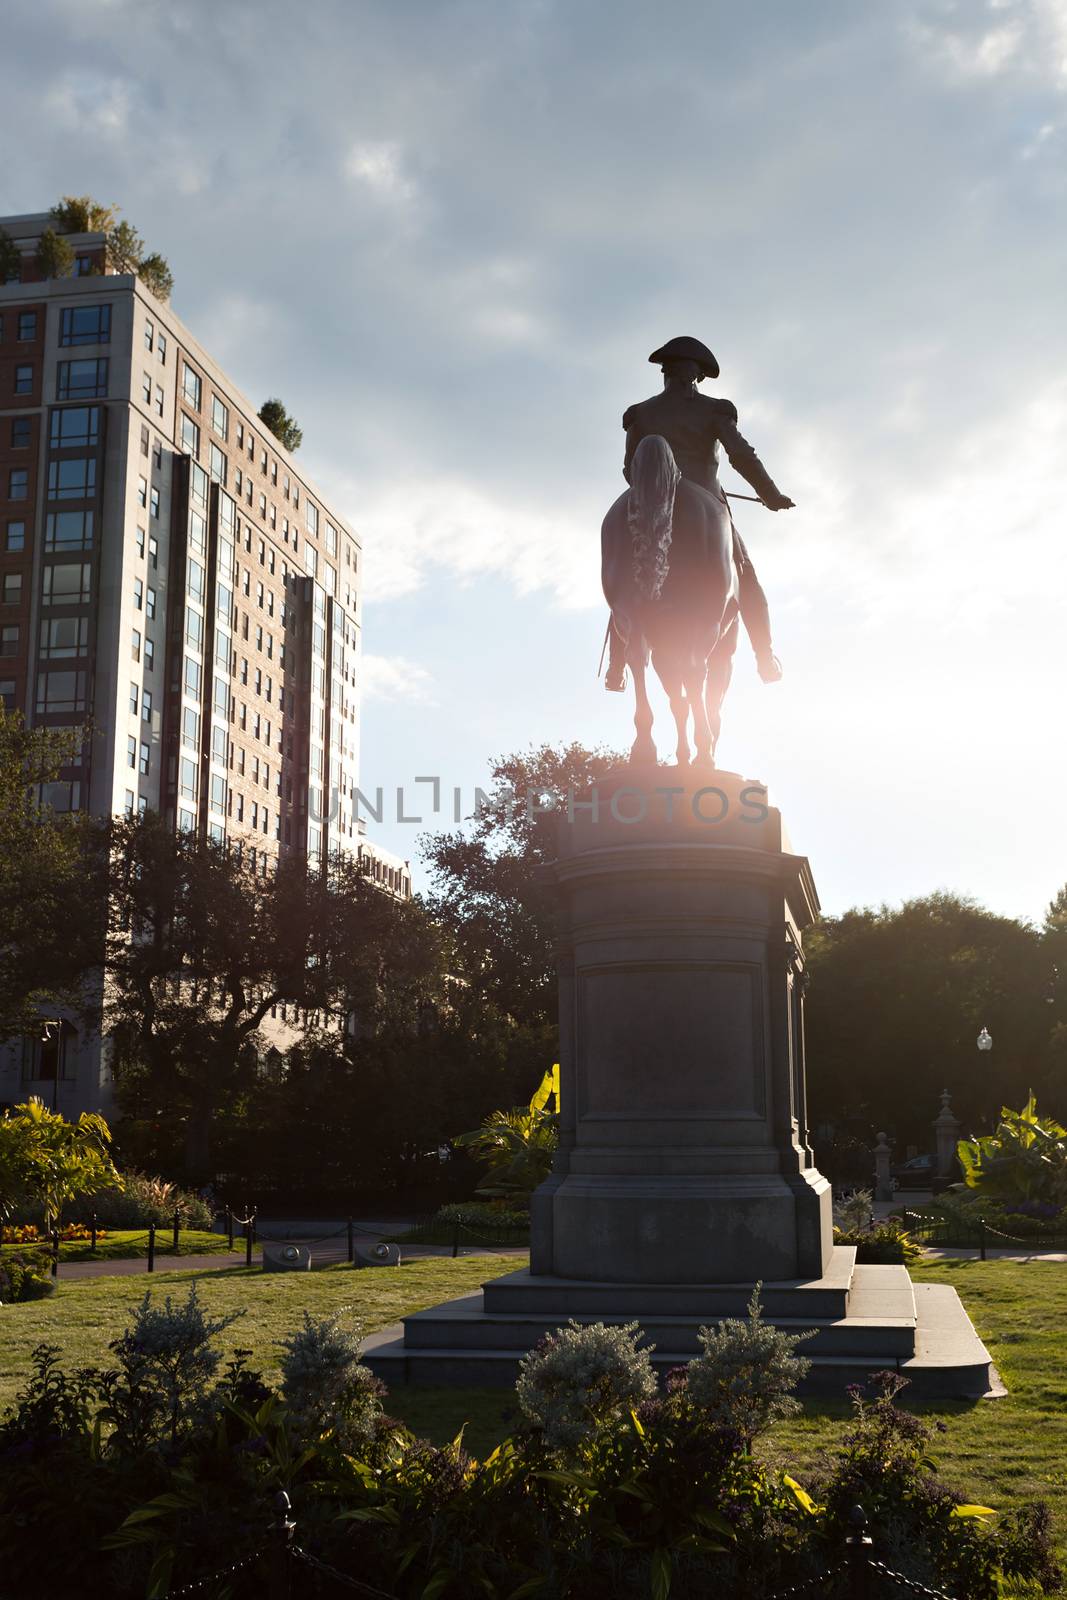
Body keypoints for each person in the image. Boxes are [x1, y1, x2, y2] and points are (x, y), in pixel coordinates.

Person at [605, 335, 794, 691]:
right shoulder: (714, 410)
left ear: (666, 372)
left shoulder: (640, 413)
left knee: (628, 567)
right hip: (709, 504)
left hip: (648, 502)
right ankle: (765, 658)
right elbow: (740, 455)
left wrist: (657, 490)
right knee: (747, 575)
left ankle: (618, 665)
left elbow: (631, 471)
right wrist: (769, 495)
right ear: (696, 376)